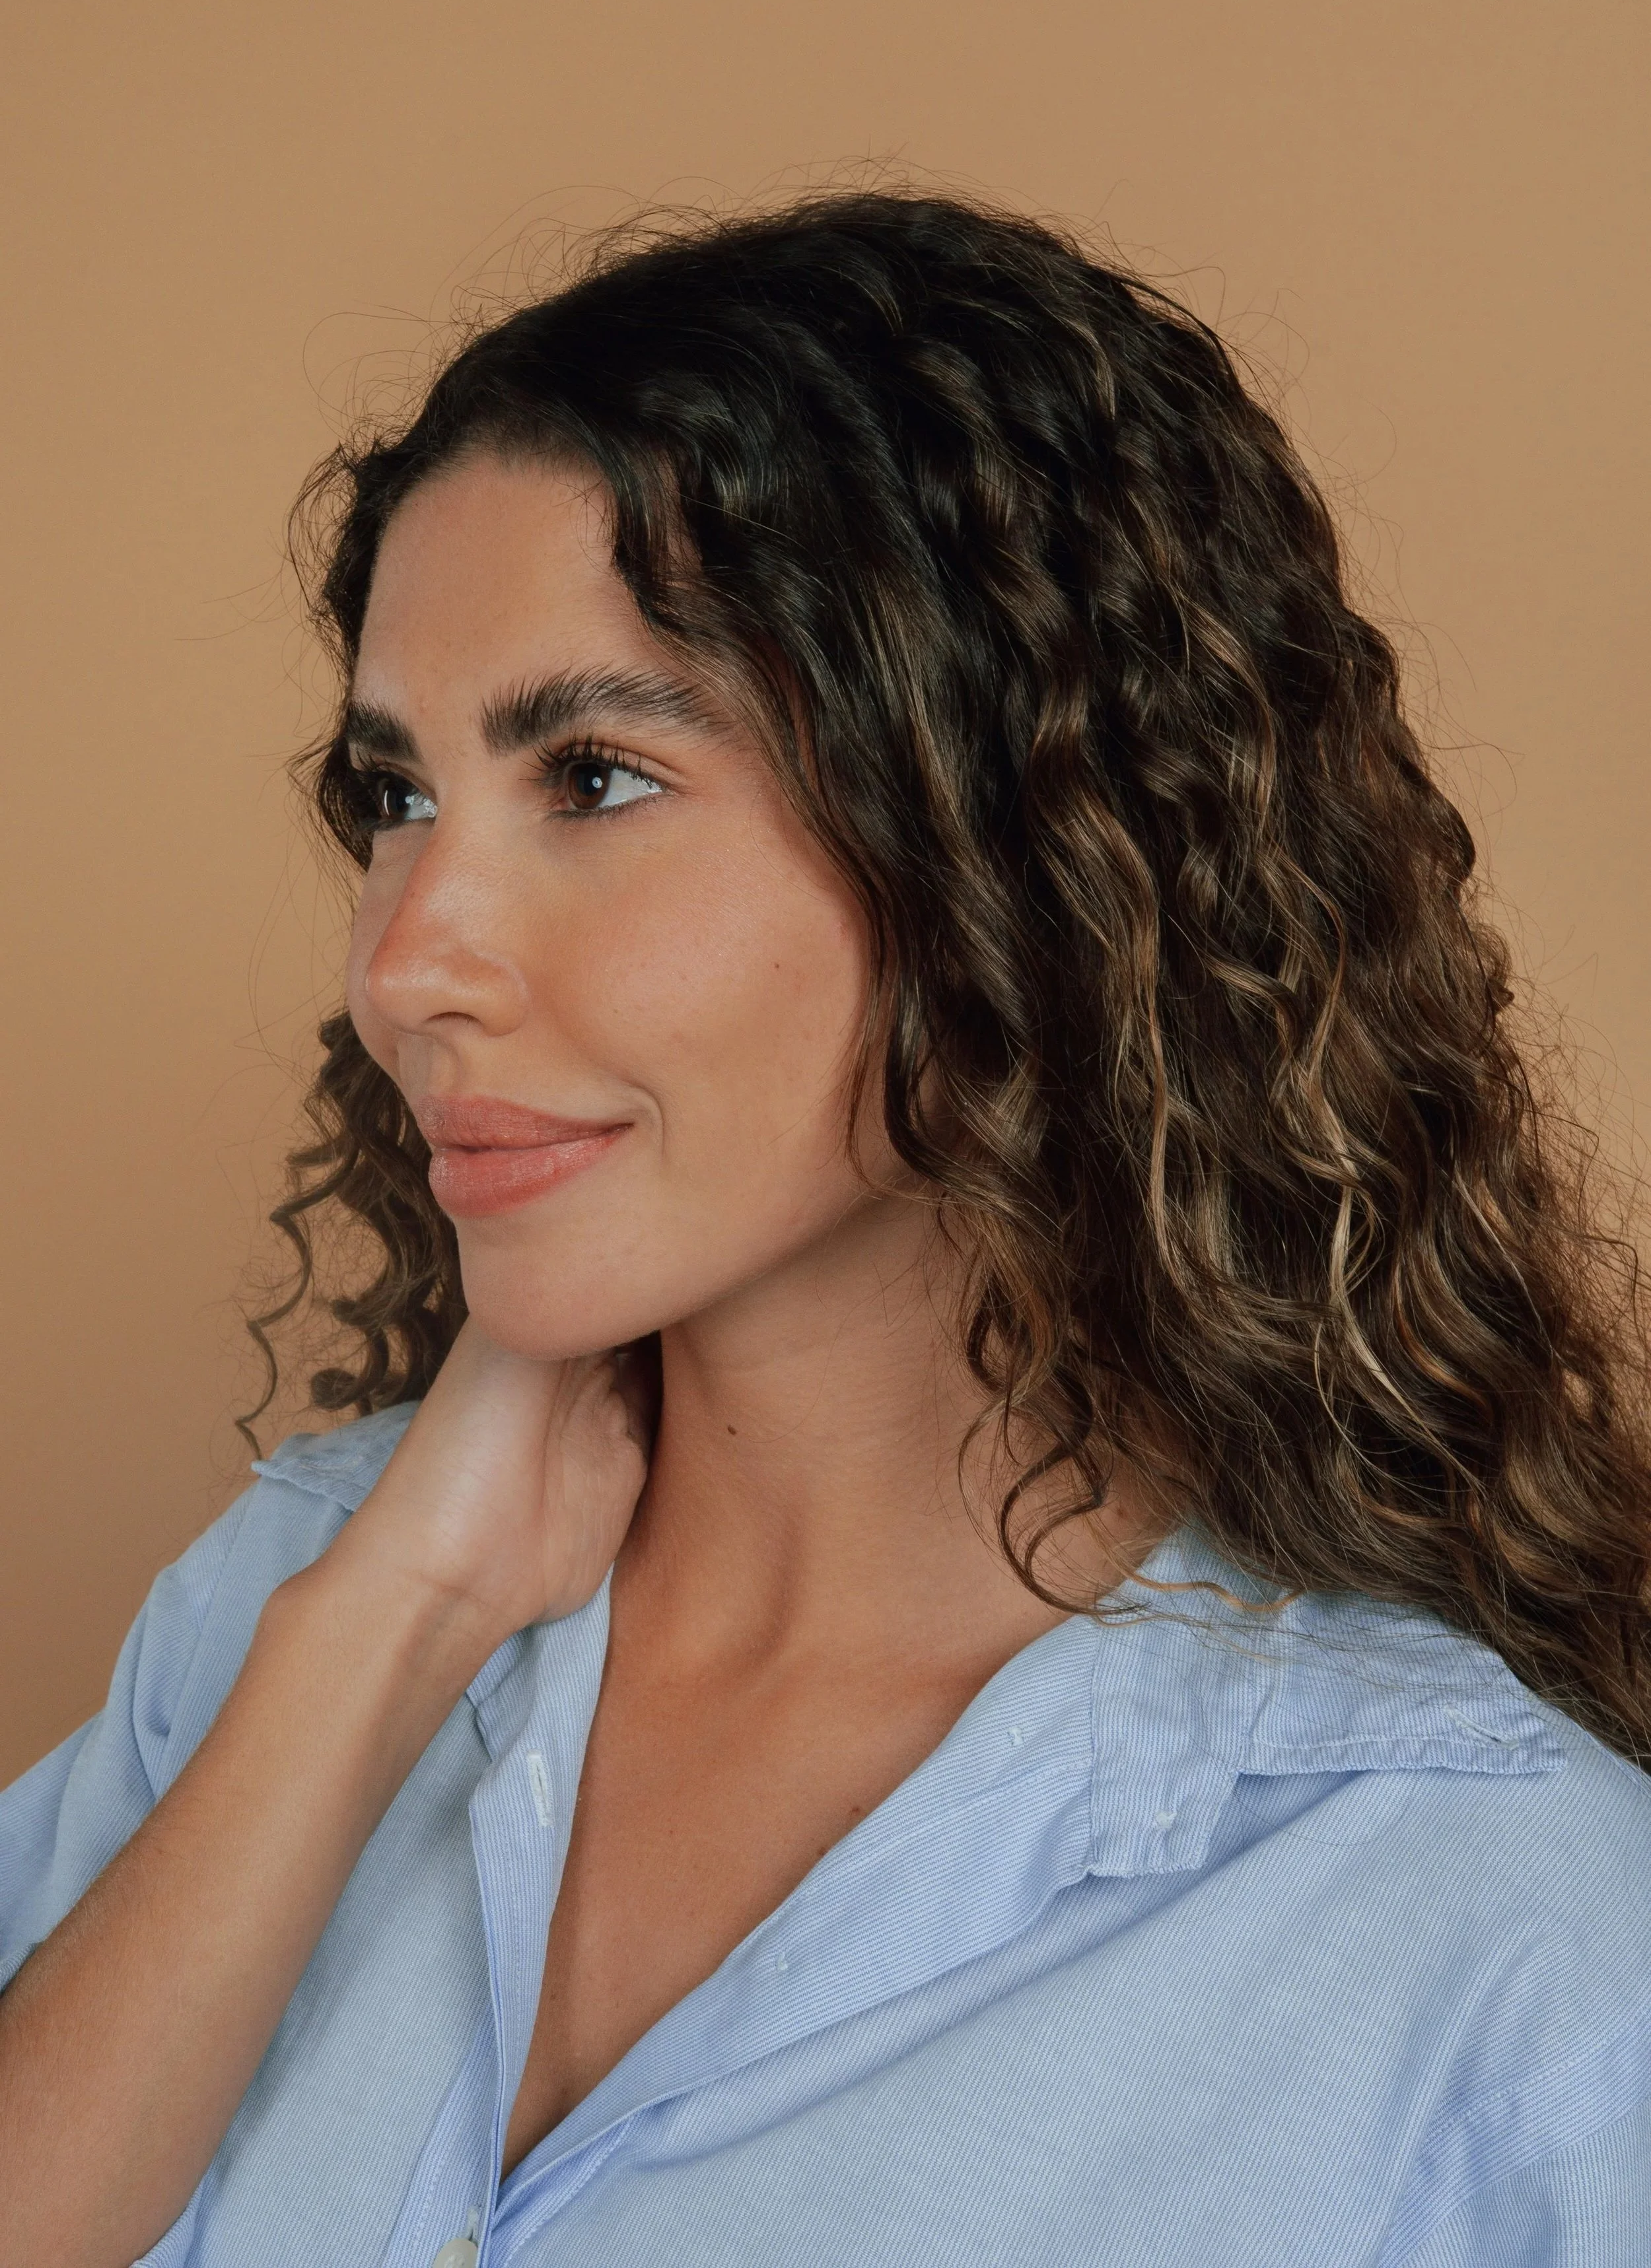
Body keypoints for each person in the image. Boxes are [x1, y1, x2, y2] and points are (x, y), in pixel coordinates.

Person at [2, 192, 1648, 2268]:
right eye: (397, 796)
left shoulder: (1500, 1940)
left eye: (592, 778)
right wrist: (392, 1610)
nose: (408, 961)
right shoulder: (279, 1615)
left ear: (1023, 841)